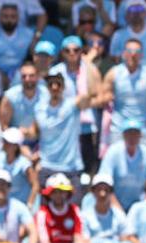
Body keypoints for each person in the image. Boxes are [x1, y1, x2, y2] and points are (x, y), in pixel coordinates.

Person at [49, 36, 104, 177]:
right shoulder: (55, 72)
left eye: (76, 50)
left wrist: (85, 103)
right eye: (68, 50)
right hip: (64, 126)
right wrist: (74, 105)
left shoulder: (91, 70)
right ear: (62, 53)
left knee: (88, 166)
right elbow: (50, 99)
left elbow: (102, 97)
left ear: (81, 51)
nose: (72, 53)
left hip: (87, 127)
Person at [33, 73, 93, 200]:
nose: (55, 87)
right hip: (47, 167)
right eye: (51, 84)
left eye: (58, 84)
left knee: (74, 212)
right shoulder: (39, 109)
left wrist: (86, 61)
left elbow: (89, 96)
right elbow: (34, 131)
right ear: (47, 88)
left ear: (64, 87)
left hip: (71, 168)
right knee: (46, 214)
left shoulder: (72, 106)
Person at [102, 38, 146, 145]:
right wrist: (106, 98)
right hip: (119, 128)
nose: (133, 54)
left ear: (142, 55)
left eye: (137, 51)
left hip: (143, 128)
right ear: (124, 53)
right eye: (130, 51)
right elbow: (102, 97)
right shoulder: (113, 73)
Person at [98, 119, 146, 212]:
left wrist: (140, 209)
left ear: (140, 135)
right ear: (123, 135)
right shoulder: (113, 151)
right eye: (129, 133)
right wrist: (119, 211)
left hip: (140, 206)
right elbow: (104, 183)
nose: (132, 137)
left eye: (135, 133)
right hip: (113, 206)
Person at [0, 168, 37, 243]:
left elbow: (33, 231)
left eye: (3, 184)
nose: (0, 188)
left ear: (9, 187)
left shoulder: (19, 206)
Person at [0, 3, 33, 79]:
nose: (9, 20)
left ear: (18, 18)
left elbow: (33, 58)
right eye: (5, 16)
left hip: (22, 73)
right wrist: (1, 76)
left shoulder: (28, 34)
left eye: (13, 16)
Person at [34, 172, 88, 243]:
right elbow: (44, 242)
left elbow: (78, 237)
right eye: (55, 192)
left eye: (62, 192)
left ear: (67, 193)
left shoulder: (75, 210)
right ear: (49, 194)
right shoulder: (42, 213)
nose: (58, 195)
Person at [109, 0, 146, 67]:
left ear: (145, 13)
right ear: (126, 15)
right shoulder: (118, 35)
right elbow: (115, 60)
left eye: (140, 9)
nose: (136, 12)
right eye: (132, 9)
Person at [0, 61, 48, 140]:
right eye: (24, 76)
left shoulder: (47, 95)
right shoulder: (10, 96)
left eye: (31, 76)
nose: (27, 79)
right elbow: (4, 126)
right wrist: (18, 139)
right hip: (16, 141)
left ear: (38, 76)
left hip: (42, 140)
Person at [81, 173, 128, 243]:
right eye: (99, 189)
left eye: (106, 190)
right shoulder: (84, 216)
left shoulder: (120, 215)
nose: (102, 194)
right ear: (93, 192)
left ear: (111, 193)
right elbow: (83, 242)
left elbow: (125, 240)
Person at [0, 127, 36, 205]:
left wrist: (30, 205)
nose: (4, 144)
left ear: (16, 146)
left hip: (22, 204)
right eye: (4, 141)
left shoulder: (24, 163)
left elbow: (35, 185)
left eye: (8, 142)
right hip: (4, 205)